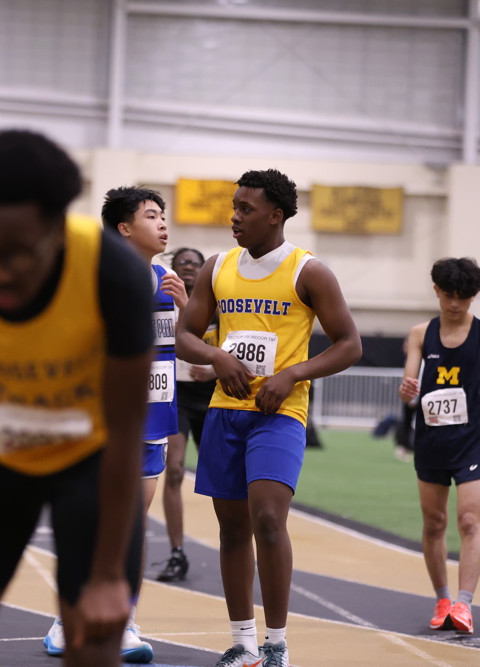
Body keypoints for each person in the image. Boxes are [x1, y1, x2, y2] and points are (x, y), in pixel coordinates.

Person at [0, 129, 153, 667]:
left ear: (58, 230)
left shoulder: (114, 273)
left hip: (91, 456)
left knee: (93, 644)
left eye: (17, 253)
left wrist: (109, 574)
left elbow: (127, 426)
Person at [176, 169, 362, 667]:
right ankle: (243, 643)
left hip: (279, 414)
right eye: (234, 207)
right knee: (232, 529)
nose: (234, 217)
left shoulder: (309, 271)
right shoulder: (217, 267)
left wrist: (293, 373)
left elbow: (350, 344)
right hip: (225, 412)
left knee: (268, 520)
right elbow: (186, 336)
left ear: (275, 216)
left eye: (246, 209)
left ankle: (276, 644)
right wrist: (217, 357)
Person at [41, 186, 186, 663]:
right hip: (100, 423)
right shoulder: (94, 276)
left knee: (133, 529)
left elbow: (191, 348)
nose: (163, 223)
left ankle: (125, 620)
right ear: (124, 228)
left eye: (163, 215)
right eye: (152, 216)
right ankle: (67, 619)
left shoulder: (168, 281)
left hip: (153, 420)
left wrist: (187, 309)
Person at [399, 257, 480, 636]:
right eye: (449, 295)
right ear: (436, 291)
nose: (455, 304)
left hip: (474, 442)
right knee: (434, 523)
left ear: (474, 296)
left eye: (464, 297)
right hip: (432, 442)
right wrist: (407, 389)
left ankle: (464, 604)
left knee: (469, 520)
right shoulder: (420, 334)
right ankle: (442, 600)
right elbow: (409, 386)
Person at [157, 247, 218, 583]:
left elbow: (231, 347)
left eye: (195, 263)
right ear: (174, 269)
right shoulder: (164, 300)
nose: (189, 267)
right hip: (177, 395)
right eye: (182, 263)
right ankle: (177, 551)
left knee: (222, 476)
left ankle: (235, 542)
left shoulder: (218, 303)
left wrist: (213, 370)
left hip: (212, 396)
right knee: (175, 469)